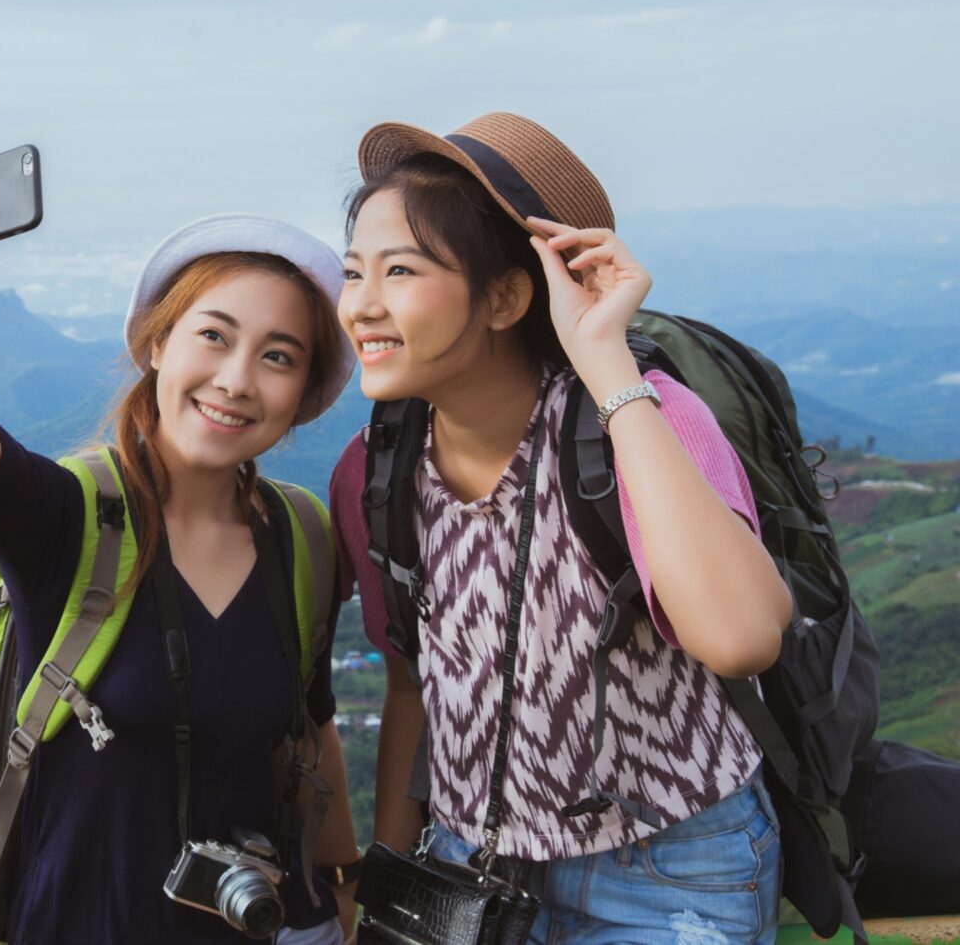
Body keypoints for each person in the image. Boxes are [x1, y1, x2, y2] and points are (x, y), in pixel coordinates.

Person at [0, 165, 363, 945]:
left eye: (278, 357)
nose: (236, 380)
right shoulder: (68, 521)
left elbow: (310, 727)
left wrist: (344, 890)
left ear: (303, 394)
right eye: (214, 336)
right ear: (159, 343)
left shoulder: (303, 538)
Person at [329, 113, 793, 944]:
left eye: (399, 270)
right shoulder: (375, 470)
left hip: (666, 868)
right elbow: (411, 683)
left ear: (507, 295)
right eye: (353, 271)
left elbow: (743, 639)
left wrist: (604, 355)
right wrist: (386, 889)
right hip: (466, 867)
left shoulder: (641, 426)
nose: (361, 305)